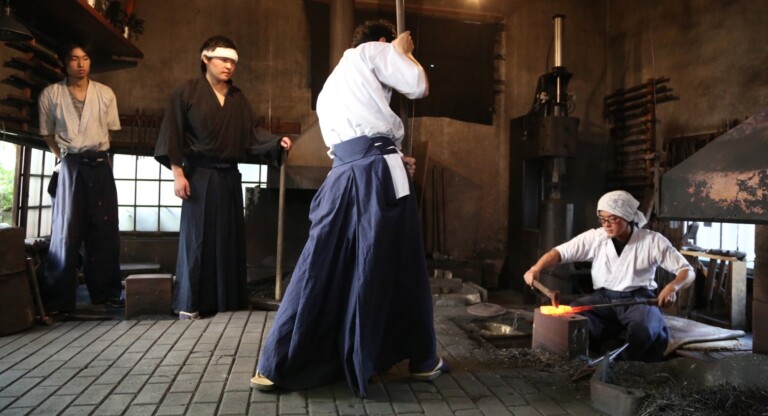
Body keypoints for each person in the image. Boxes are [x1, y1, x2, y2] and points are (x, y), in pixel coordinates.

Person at [251, 19, 445, 398]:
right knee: (401, 262)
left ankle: (275, 364)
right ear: (381, 40)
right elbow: (418, 85)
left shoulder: (330, 86)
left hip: (343, 173)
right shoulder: (373, 51)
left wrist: (392, 156)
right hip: (376, 174)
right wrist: (403, 51)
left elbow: (358, 138)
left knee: (320, 261)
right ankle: (423, 360)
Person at [154, 35, 292, 320]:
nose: (229, 66)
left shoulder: (238, 99)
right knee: (197, 240)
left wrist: (276, 143)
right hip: (199, 175)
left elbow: (253, 134)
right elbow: (172, 135)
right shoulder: (186, 93)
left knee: (227, 239)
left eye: (233, 62)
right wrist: (178, 174)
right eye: (223, 60)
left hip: (228, 177)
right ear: (206, 58)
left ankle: (225, 300)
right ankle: (190, 301)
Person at [523, 190, 695, 361]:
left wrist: (673, 287)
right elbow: (560, 252)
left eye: (612, 219)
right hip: (603, 299)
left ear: (627, 217)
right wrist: (536, 268)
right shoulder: (596, 237)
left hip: (638, 300)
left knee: (644, 330)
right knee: (575, 316)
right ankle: (588, 359)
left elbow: (687, 271)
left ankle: (625, 365)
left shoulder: (652, 241)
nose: (606, 224)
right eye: (602, 219)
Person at [38, 41, 124, 313]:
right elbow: (47, 134)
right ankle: (59, 299)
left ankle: (106, 293)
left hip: (99, 164)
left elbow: (110, 131)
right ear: (65, 62)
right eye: (74, 59)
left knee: (104, 229)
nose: (80, 64)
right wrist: (64, 157)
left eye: (85, 58)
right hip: (71, 165)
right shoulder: (51, 94)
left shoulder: (105, 93)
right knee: (67, 231)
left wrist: (94, 151)